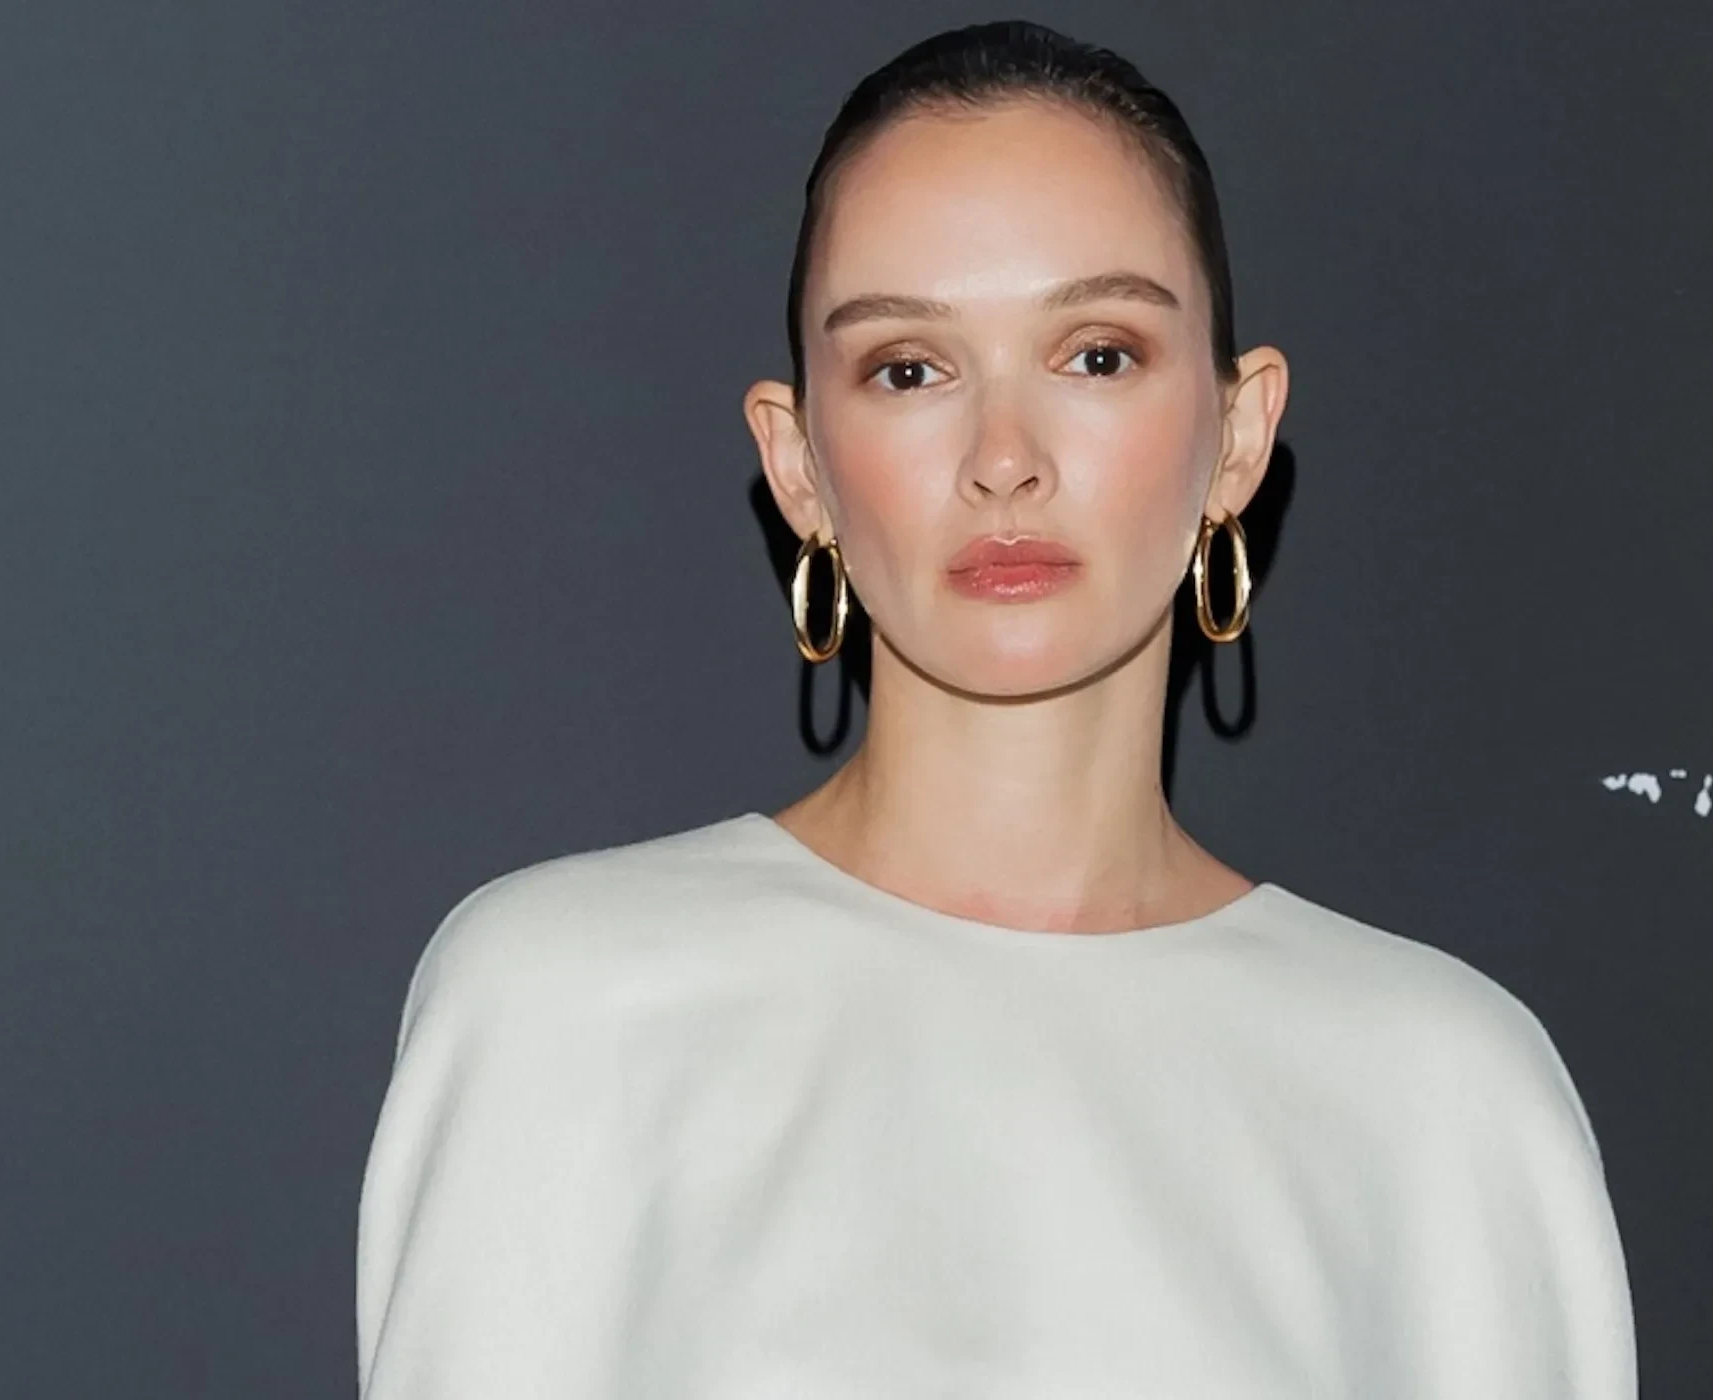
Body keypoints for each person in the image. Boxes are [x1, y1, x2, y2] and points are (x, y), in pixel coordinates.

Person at [354, 19, 1635, 1398]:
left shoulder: (1445, 1094)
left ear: (1239, 434)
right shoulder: (569, 1004)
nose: (1004, 460)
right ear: (798, 464)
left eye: (1097, 354)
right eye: (910, 368)